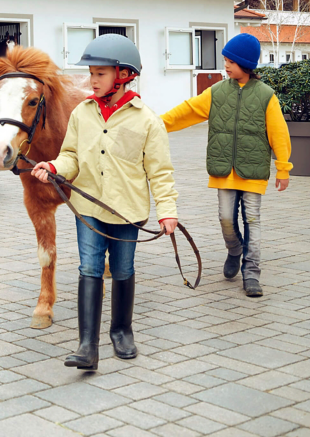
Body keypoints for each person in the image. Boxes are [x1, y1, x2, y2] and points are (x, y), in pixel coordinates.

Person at [31, 34, 178, 370]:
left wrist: (167, 212)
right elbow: (70, 156)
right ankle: (87, 345)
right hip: (89, 210)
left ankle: (122, 331)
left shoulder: (147, 120)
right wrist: (54, 166)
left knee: (124, 270)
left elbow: (161, 172)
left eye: (99, 74)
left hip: (127, 211)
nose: (90, 80)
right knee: (89, 269)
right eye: (91, 73)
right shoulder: (82, 114)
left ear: (123, 75)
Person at [161, 33, 291, 298]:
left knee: (252, 220)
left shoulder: (267, 96)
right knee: (225, 219)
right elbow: (186, 111)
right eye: (225, 60)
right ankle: (235, 250)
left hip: (253, 172)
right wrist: (154, 124)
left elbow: (279, 133)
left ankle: (252, 272)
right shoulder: (217, 92)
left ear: (246, 63)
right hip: (223, 172)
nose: (226, 65)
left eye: (230, 61)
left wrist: (283, 168)